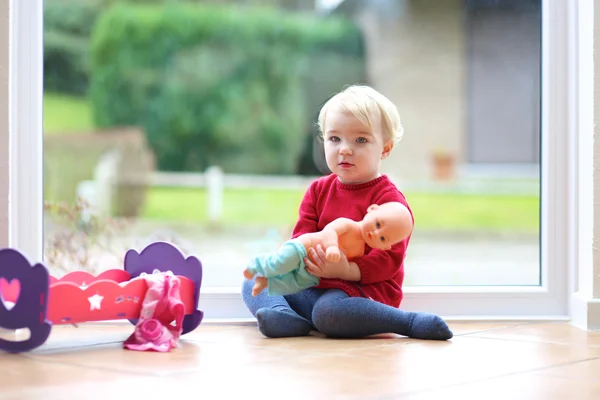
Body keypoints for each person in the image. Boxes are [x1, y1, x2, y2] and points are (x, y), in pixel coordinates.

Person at [241, 84, 453, 340]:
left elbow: (388, 261)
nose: (344, 149)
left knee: (329, 312)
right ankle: (282, 316)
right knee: (254, 278)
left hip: (359, 292)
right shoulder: (318, 190)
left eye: (360, 140)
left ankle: (407, 323)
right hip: (314, 282)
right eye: (335, 138)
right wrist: (297, 261)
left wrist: (346, 270)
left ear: (385, 149)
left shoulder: (389, 201)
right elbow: (302, 236)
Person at [243, 201, 413, 297]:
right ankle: (256, 264)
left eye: (382, 238)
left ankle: (266, 282)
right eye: (377, 224)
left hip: (313, 273)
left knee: (293, 284)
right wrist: (332, 246)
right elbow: (329, 231)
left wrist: (341, 269)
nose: (375, 232)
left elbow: (345, 266)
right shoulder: (349, 224)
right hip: (304, 248)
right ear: (372, 210)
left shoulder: (361, 252)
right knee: (282, 262)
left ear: (385, 247)